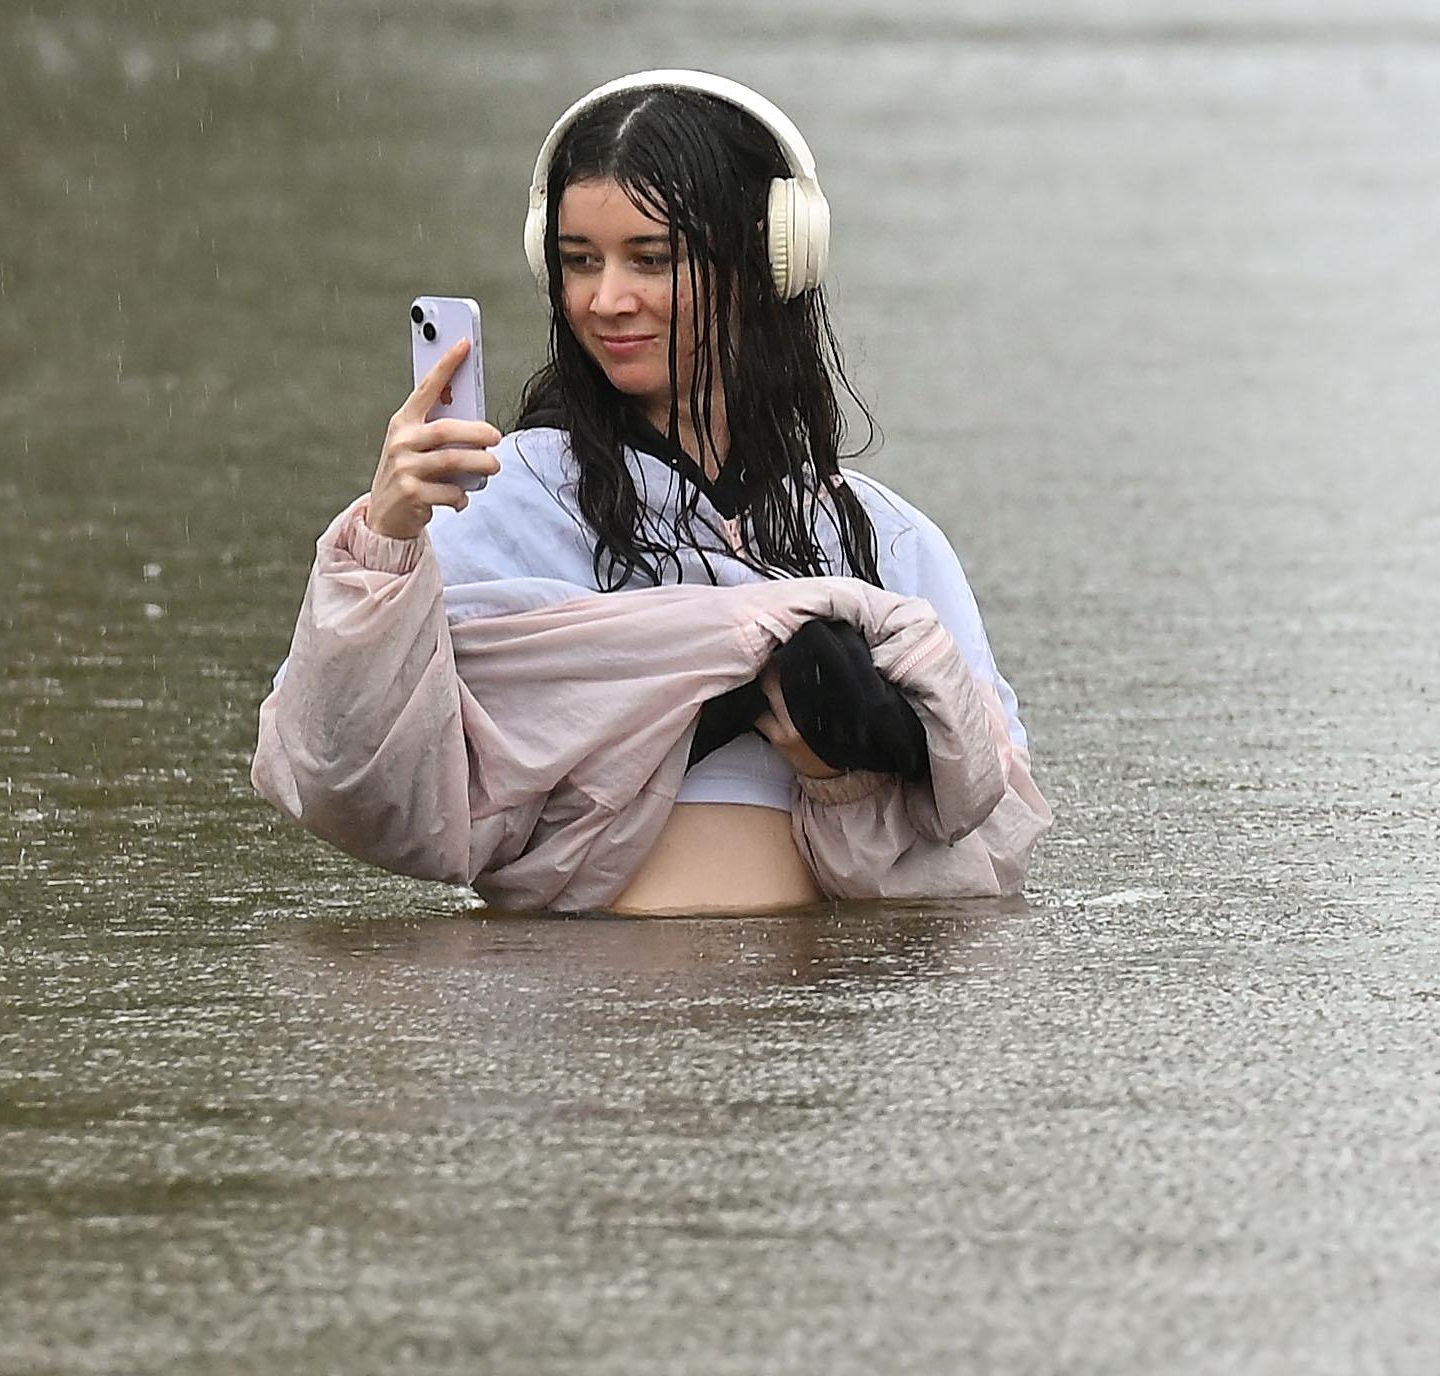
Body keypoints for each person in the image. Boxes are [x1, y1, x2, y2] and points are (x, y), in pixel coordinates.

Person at [269, 69, 1039, 915]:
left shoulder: (887, 541)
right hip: (568, 1020)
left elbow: (992, 844)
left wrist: (842, 766)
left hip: (816, 1019)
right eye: (578, 262)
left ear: (769, 258)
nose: (607, 300)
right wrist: (384, 539)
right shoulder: (493, 503)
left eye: (652, 258)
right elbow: (350, 782)